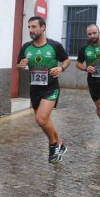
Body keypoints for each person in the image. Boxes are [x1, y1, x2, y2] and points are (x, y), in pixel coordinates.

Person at [17, 16, 70, 163]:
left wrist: (61, 68)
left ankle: (52, 144)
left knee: (41, 119)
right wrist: (20, 65)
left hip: (51, 88)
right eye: (29, 27)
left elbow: (66, 60)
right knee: (44, 120)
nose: (30, 30)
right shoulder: (26, 47)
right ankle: (60, 144)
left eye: (33, 27)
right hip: (35, 89)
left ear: (43, 27)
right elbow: (18, 66)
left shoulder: (54, 46)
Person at [76, 24, 100, 118]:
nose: (92, 35)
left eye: (94, 33)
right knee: (98, 106)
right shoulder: (84, 48)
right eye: (89, 34)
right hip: (93, 81)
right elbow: (78, 63)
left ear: (99, 32)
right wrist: (86, 68)